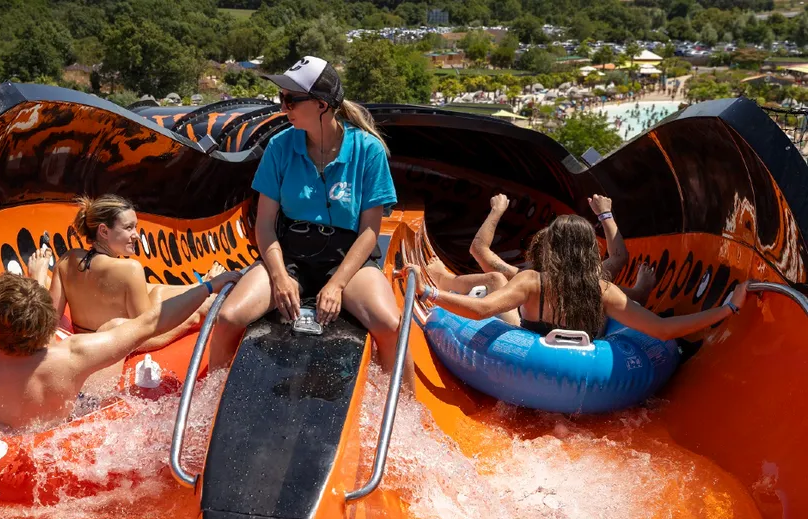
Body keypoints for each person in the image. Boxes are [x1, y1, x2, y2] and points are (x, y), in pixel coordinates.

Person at [208, 56, 409, 376]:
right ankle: (211, 396)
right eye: (281, 99)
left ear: (321, 105)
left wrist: (336, 285)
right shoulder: (279, 147)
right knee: (229, 318)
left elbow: (370, 231)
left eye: (290, 99)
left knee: (390, 325)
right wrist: (279, 276)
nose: (282, 107)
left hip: (347, 260)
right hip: (290, 255)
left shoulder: (368, 151)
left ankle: (403, 408)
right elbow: (264, 224)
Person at [0, 252, 240, 429]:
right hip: (65, 419)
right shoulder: (73, 356)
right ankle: (199, 315)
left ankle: (36, 278)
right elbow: (149, 321)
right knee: (119, 326)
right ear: (48, 326)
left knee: (119, 331)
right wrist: (209, 286)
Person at [403, 214, 749, 342]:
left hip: (533, 347)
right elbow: (662, 330)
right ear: (588, 251)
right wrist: (727, 309)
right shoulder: (604, 290)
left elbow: (481, 312)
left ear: (550, 247)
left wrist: (430, 294)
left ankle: (440, 281)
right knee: (496, 279)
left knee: (494, 282)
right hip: (586, 365)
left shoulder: (532, 281)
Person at [417, 193, 656, 327]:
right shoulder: (598, 279)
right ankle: (639, 292)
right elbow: (619, 257)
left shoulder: (525, 279)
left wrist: (497, 210)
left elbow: (479, 249)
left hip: (529, 340)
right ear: (588, 252)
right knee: (617, 295)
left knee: (494, 278)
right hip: (587, 346)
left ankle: (445, 280)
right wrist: (605, 214)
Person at [27, 194, 227, 351]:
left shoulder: (66, 260)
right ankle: (203, 291)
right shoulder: (130, 269)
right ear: (104, 231)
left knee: (154, 291)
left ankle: (199, 286)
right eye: (129, 228)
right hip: (115, 343)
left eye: (136, 227)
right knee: (190, 306)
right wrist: (192, 314)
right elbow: (147, 331)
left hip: (85, 342)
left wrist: (38, 278)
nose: (136, 235)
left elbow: (50, 320)